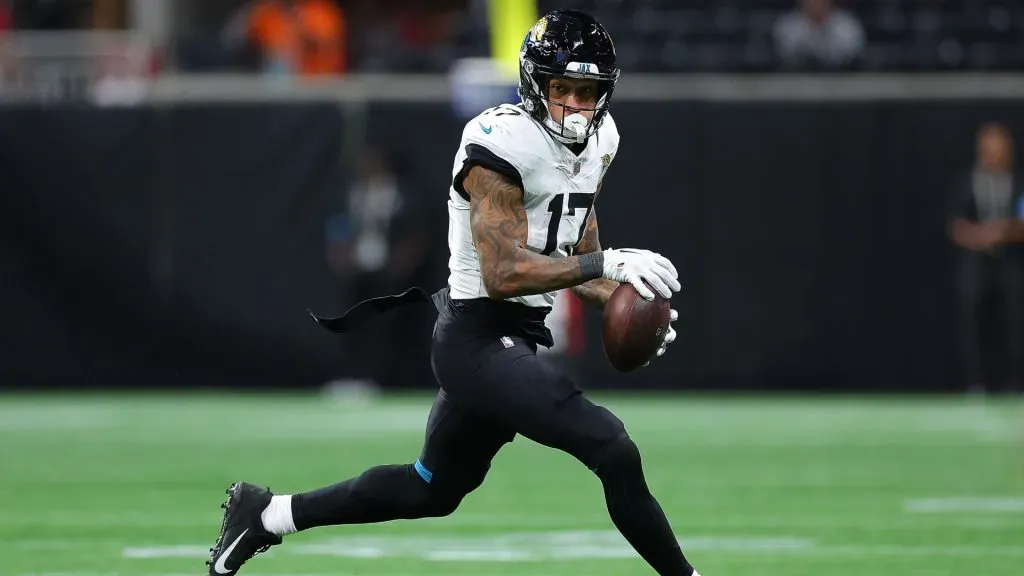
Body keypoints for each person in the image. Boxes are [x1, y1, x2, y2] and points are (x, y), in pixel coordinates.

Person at [206, 9, 698, 576]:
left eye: (588, 92)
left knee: (429, 491)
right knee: (612, 447)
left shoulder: (602, 139)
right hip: (477, 339)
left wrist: (623, 295)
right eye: (561, 88)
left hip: (516, 339)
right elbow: (504, 275)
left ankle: (266, 515)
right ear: (535, 85)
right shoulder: (501, 140)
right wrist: (605, 261)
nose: (574, 105)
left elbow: (575, 255)